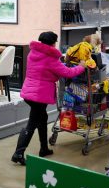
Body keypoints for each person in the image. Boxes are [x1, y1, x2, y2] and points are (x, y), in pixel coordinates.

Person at [11, 31, 87, 166]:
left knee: (42, 118)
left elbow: (46, 70)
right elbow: (67, 73)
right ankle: (18, 153)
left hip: (30, 91)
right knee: (32, 123)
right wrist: (81, 67)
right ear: (53, 43)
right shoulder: (50, 58)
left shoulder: (33, 53)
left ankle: (44, 148)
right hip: (39, 95)